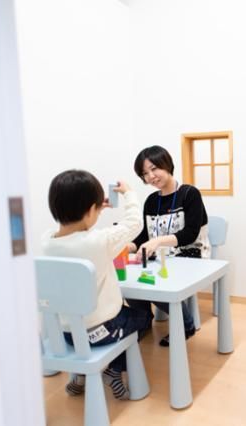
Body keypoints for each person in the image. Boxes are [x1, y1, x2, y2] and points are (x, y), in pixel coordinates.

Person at [42, 169, 152, 400]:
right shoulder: (100, 241)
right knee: (142, 319)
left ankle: (80, 375)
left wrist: (94, 209)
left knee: (105, 320)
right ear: (92, 209)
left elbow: (77, 233)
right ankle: (113, 371)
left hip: (65, 334)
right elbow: (134, 223)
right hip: (101, 332)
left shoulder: (46, 244)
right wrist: (129, 193)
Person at [130, 145, 211, 347]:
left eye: (154, 168)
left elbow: (190, 234)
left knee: (155, 280)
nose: (151, 176)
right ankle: (143, 320)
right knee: (131, 279)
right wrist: (130, 246)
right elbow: (146, 234)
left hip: (190, 254)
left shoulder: (189, 193)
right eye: (145, 173)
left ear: (167, 165)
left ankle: (186, 324)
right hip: (162, 257)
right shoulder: (151, 201)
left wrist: (157, 241)